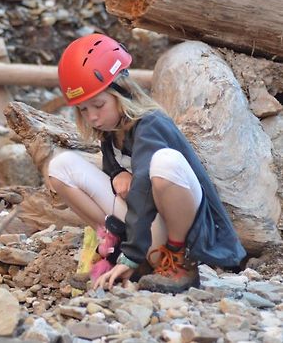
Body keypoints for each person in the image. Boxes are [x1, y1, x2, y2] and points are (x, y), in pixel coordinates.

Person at [48, 33, 246, 294]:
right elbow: (117, 166)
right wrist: (118, 171)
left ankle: (177, 260)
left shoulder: (150, 123)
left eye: (98, 105)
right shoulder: (111, 129)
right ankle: (114, 241)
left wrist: (131, 255)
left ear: (123, 92)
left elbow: (142, 188)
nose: (93, 117)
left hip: (180, 230)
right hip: (143, 230)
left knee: (165, 162)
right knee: (60, 167)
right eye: (84, 110)